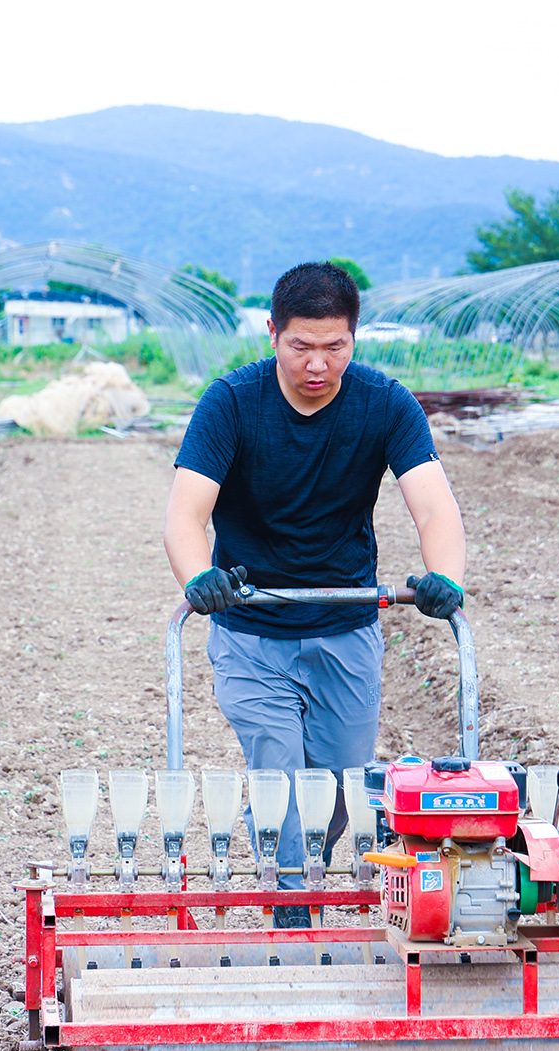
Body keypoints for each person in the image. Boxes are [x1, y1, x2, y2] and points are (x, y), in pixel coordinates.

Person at [164, 261, 467, 925]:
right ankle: (292, 904)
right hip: (251, 627)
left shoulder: (383, 403)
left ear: (354, 339)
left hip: (346, 625)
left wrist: (444, 575)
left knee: (339, 792)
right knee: (282, 779)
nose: (317, 365)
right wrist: (198, 579)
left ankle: (298, 871)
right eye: (301, 346)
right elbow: (186, 514)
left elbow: (434, 508)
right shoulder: (233, 403)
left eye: (335, 348)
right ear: (273, 333)